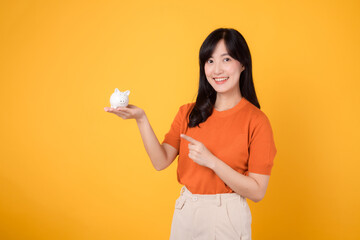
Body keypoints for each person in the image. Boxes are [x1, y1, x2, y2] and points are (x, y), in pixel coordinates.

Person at [104, 28, 277, 240]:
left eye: (226, 59)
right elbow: (160, 162)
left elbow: (258, 191)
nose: (217, 70)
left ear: (242, 64)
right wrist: (141, 119)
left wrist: (212, 161)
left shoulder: (257, 121)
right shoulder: (188, 113)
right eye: (210, 61)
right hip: (186, 211)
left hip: (227, 217)